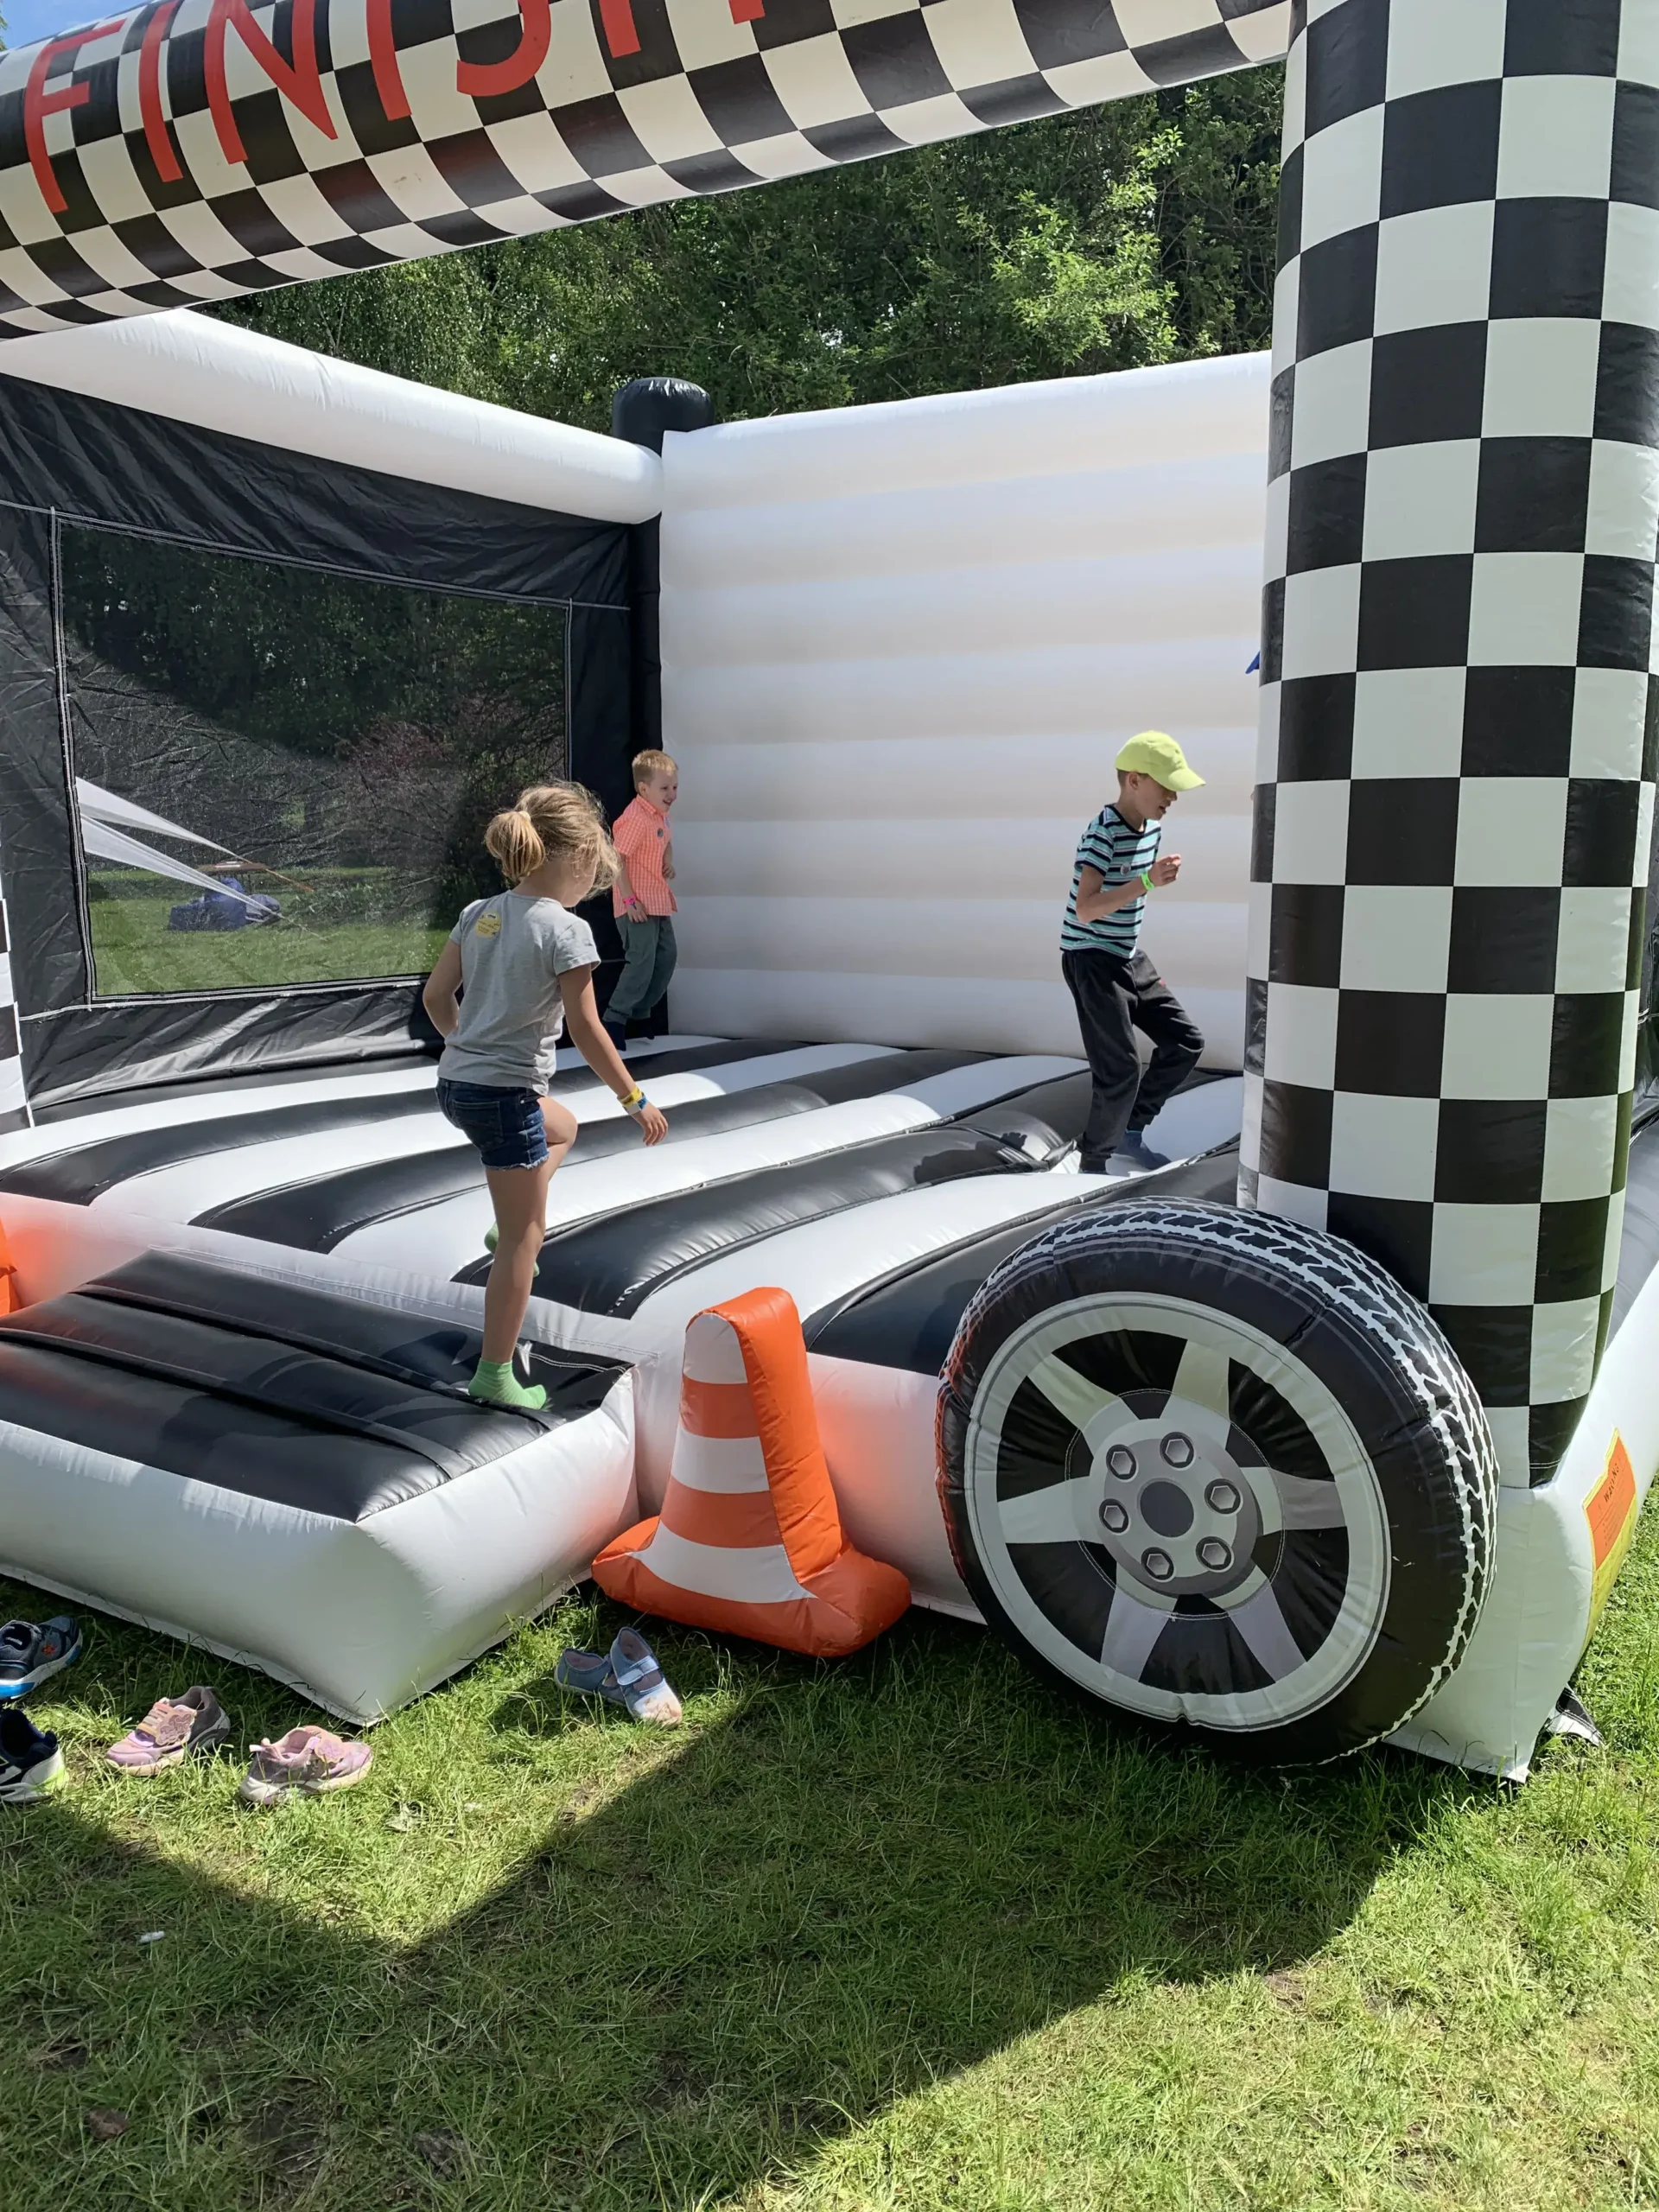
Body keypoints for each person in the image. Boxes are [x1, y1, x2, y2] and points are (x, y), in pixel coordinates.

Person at [423, 783, 668, 1408]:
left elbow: (435, 997)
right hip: (503, 1096)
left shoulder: (479, 912)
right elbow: (586, 1028)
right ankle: (495, 1374)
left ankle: (504, 1228)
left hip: (455, 1085)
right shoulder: (567, 930)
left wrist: (467, 1050)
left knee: (562, 1127)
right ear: (578, 858)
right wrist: (634, 1099)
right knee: (525, 1238)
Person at [1060, 731, 1205, 1176]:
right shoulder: (1102, 832)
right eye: (1167, 787)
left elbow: (1131, 893)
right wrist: (1146, 882)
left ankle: (1130, 1132)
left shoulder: (1153, 829)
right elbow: (1086, 909)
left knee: (1185, 1042)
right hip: (1090, 958)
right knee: (1121, 1068)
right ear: (1135, 781)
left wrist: (1148, 880)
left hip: (1128, 956)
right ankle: (1092, 1162)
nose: (1173, 797)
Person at [605, 747, 678, 1051]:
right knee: (642, 961)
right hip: (636, 904)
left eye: (675, 787)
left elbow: (666, 842)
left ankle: (640, 1012)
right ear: (643, 789)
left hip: (658, 900)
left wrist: (667, 861)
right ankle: (614, 1018)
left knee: (667, 957)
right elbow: (616, 858)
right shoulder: (635, 818)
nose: (672, 794)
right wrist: (629, 900)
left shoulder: (661, 816)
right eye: (665, 788)